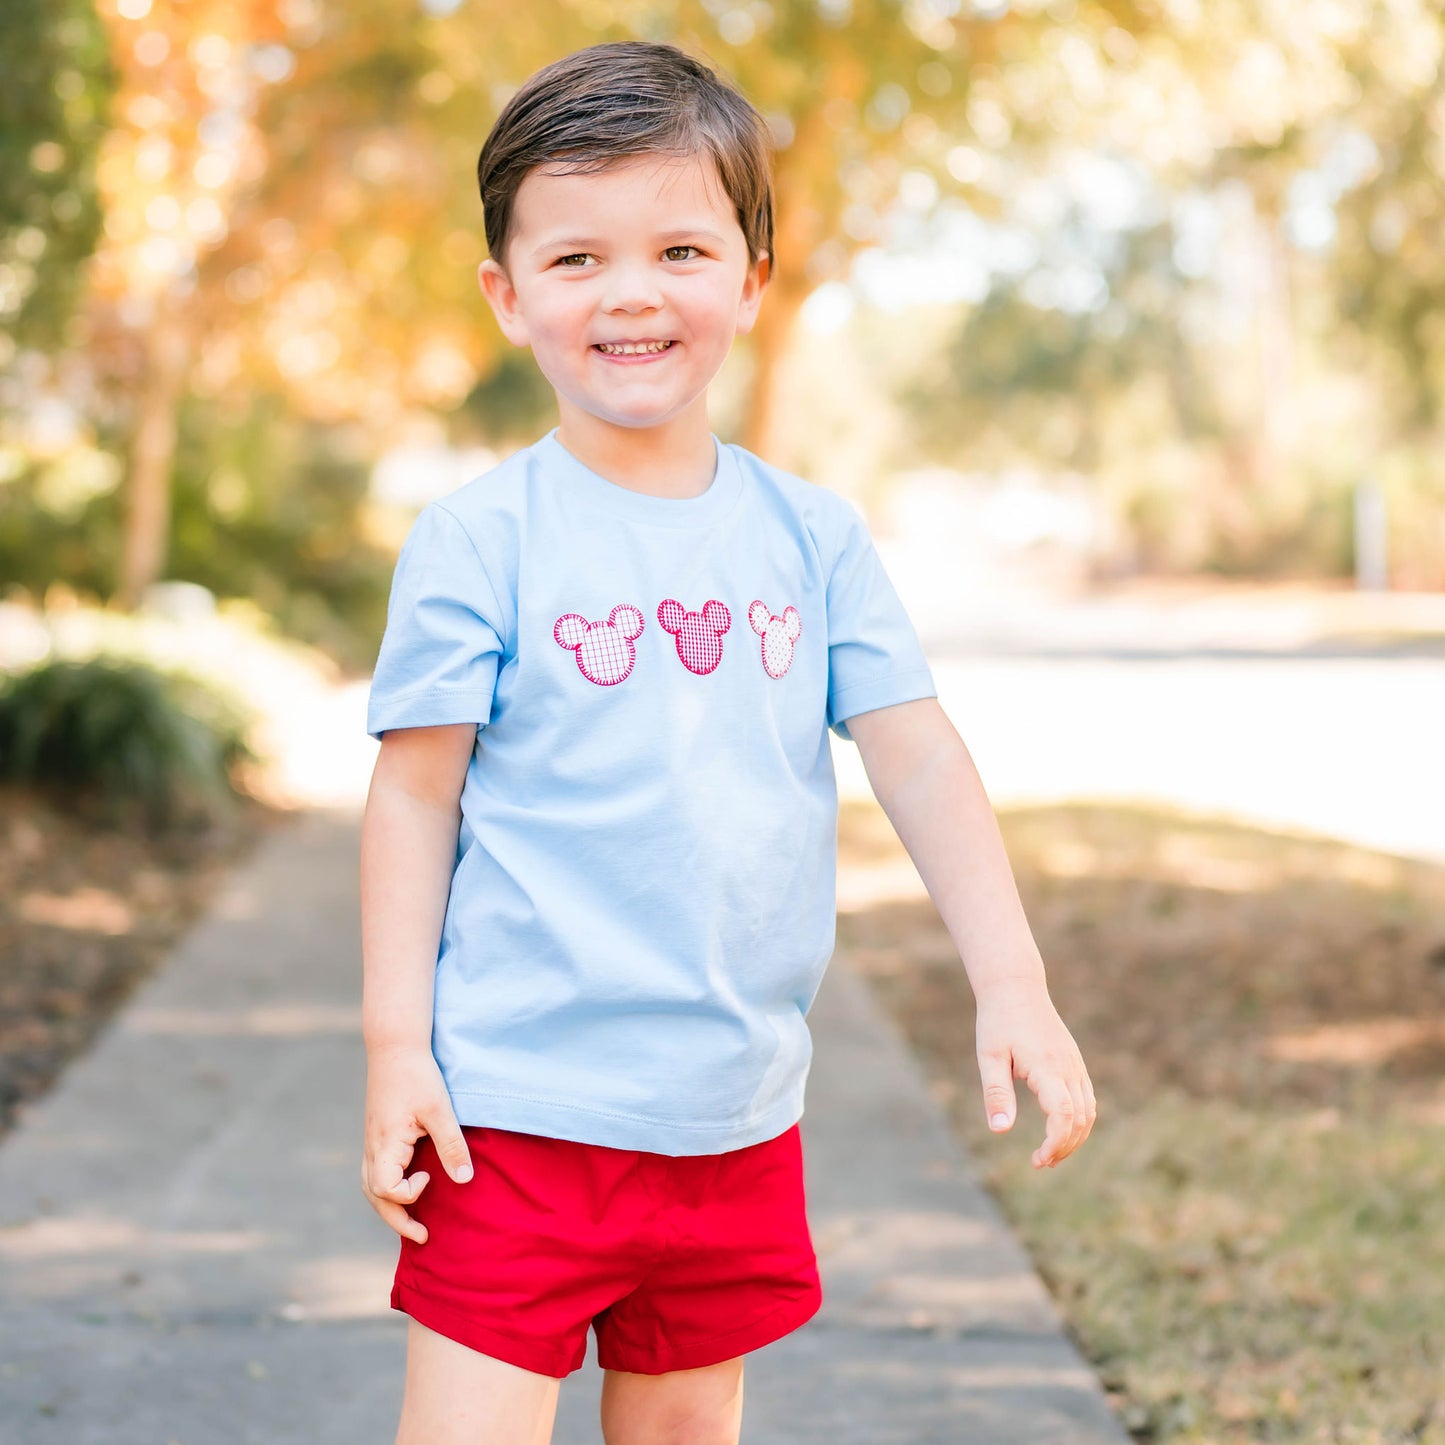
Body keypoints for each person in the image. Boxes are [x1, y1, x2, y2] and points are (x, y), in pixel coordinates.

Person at [360, 38, 1096, 1445]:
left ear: (752, 280)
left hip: (731, 1118)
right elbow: (410, 800)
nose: (630, 292)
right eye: (575, 260)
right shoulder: (477, 540)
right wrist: (398, 1045)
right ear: (506, 298)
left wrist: (1012, 980)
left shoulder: (809, 536)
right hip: (513, 1116)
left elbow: (919, 754)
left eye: (680, 247)